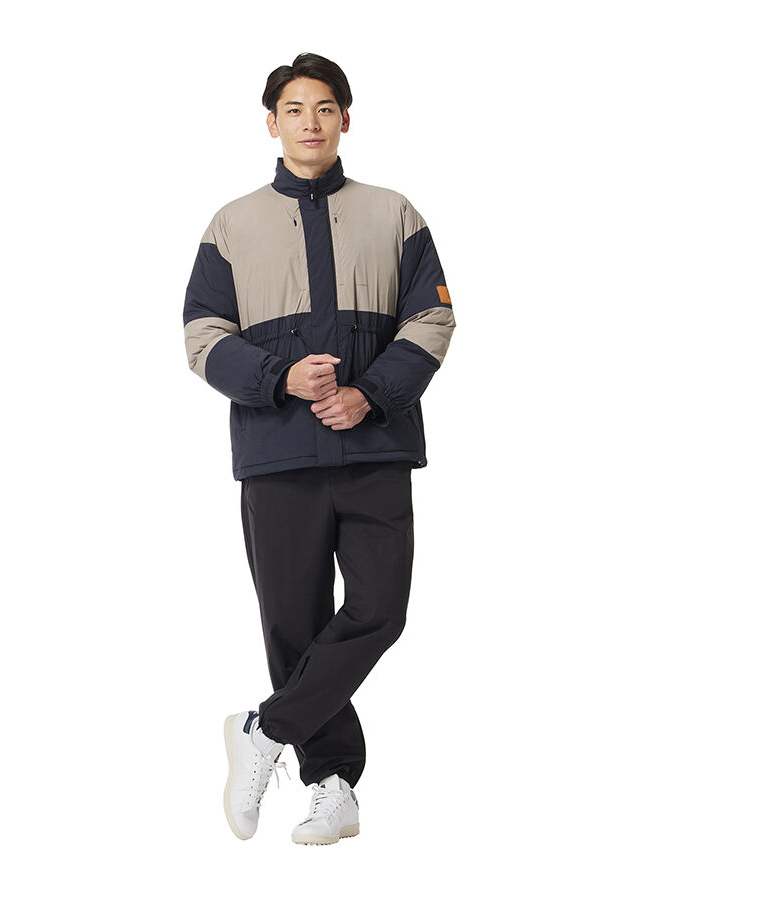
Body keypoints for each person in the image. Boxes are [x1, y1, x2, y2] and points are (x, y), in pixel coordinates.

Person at [183, 52, 455, 844]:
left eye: (325, 108)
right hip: (279, 456)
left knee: (380, 611)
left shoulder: (394, 213)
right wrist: (280, 378)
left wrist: (370, 393)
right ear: (273, 123)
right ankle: (333, 785)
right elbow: (202, 335)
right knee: (293, 626)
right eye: (295, 110)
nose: (311, 122)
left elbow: (433, 318)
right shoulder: (232, 224)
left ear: (345, 119)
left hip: (374, 449)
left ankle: (263, 730)